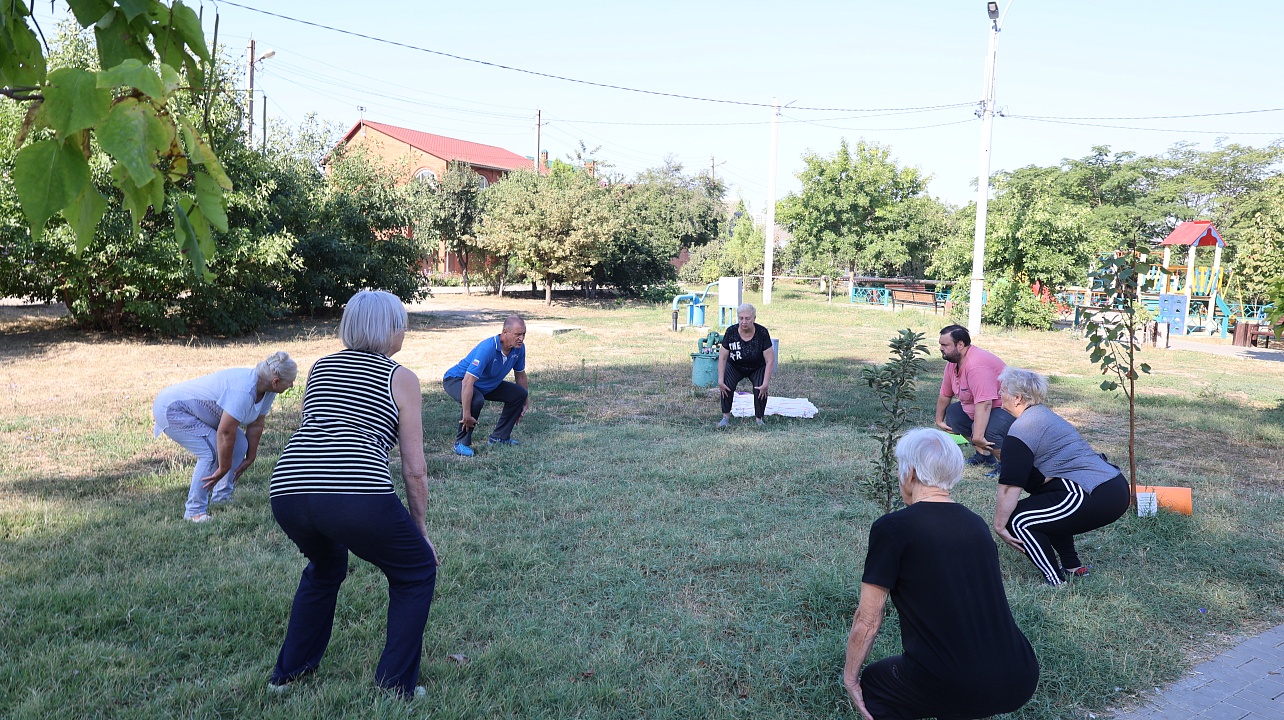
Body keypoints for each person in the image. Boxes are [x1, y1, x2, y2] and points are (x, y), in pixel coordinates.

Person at [268, 290, 439, 698]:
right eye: (401, 323)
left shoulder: (321, 366)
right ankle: (395, 687)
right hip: (354, 491)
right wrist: (419, 531)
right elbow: (414, 468)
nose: (404, 331)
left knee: (326, 568)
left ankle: (287, 676)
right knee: (415, 570)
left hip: (288, 489)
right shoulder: (400, 377)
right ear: (387, 329)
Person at [842, 428, 1040, 720]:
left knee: (874, 683)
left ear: (909, 474)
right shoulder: (975, 524)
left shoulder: (893, 528)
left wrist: (849, 678)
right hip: (1020, 674)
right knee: (951, 684)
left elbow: (868, 620)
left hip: (955, 681)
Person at [990, 367, 1130, 586]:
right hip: (1112, 487)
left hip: (1095, 492)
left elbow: (1009, 487)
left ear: (1017, 398)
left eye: (1003, 391)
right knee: (1045, 509)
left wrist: (999, 525)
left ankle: (1055, 581)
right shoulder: (1043, 416)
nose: (999, 394)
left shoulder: (1022, 430)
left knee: (1019, 520)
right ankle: (1073, 567)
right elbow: (1037, 483)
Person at [153, 351, 297, 522]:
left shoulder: (268, 390)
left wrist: (251, 457)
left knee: (240, 445)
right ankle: (194, 512)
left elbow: (256, 423)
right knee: (212, 452)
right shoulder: (243, 390)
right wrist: (223, 467)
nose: (292, 386)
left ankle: (221, 499)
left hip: (195, 413)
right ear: (276, 381)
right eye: (290, 382)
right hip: (172, 409)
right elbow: (225, 433)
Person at [442, 314, 529, 457]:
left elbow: (520, 375)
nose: (521, 338)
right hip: (456, 379)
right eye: (518, 334)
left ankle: (499, 438)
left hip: (485, 384)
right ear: (505, 332)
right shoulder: (487, 348)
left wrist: (525, 401)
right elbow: (468, 382)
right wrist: (466, 414)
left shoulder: (519, 349)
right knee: (476, 400)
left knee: (519, 394)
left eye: (524, 334)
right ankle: (461, 443)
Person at [933, 324, 1014, 470]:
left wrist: (978, 436)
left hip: (1007, 409)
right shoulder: (954, 362)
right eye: (940, 344)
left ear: (960, 345)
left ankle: (1008, 465)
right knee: (954, 414)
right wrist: (939, 420)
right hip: (985, 407)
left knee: (988, 430)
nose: (941, 348)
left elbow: (985, 404)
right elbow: (945, 394)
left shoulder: (976, 365)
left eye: (945, 345)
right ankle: (984, 456)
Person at [716, 303, 776, 427]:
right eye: (741, 318)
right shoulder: (731, 331)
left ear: (754, 318)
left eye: (747, 318)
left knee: (760, 387)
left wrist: (765, 384)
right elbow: (722, 357)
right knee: (726, 383)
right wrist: (720, 380)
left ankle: (759, 419)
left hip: (757, 367)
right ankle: (725, 417)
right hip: (735, 366)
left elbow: (770, 360)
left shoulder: (762, 332)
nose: (744, 321)